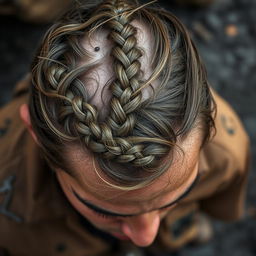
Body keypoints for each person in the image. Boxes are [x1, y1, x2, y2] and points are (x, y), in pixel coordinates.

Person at [0, 0, 250, 255]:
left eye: (175, 198)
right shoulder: (10, 222)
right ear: (37, 135)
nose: (145, 236)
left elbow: (223, 202)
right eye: (106, 212)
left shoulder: (227, 154)